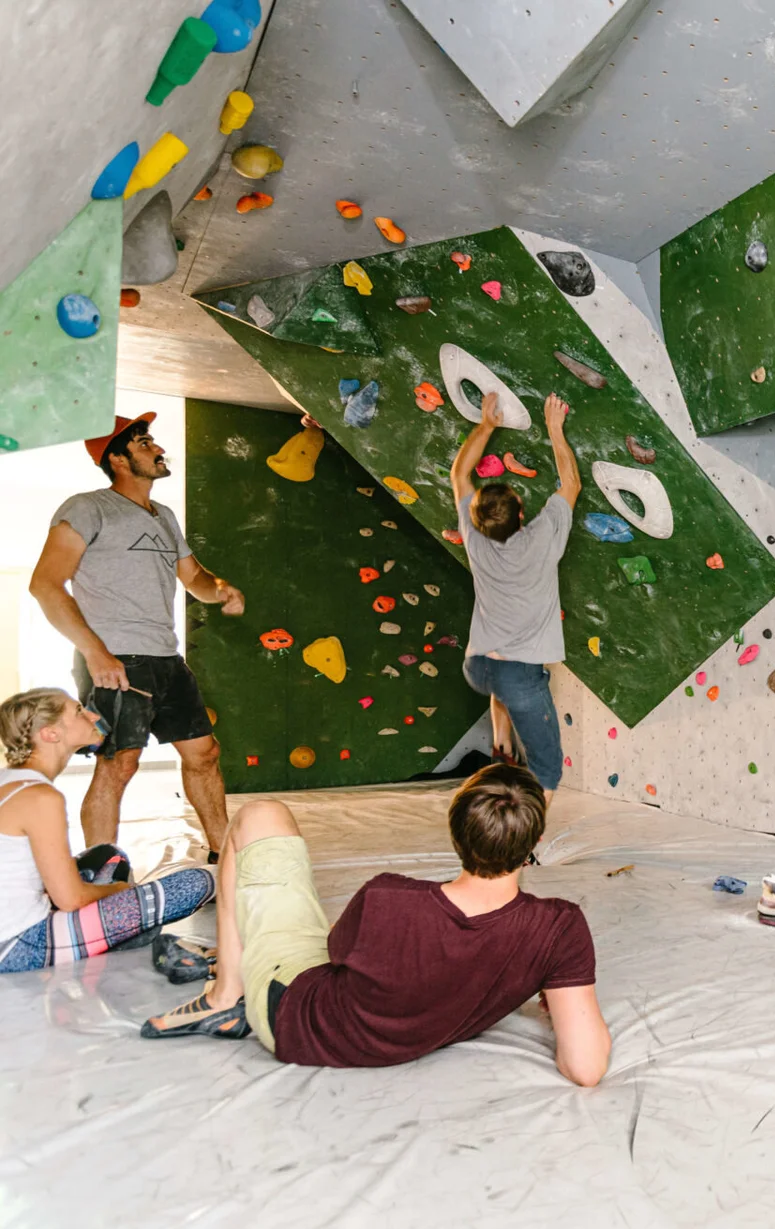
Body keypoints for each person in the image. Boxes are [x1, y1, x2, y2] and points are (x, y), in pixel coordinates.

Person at [143, 763, 612, 1086]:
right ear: (537, 839)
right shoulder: (559, 929)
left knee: (258, 816)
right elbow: (586, 1068)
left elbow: (332, 956)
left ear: (455, 830)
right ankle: (229, 969)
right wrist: (551, 986)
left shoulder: (388, 899)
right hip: (351, 1030)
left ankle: (225, 996)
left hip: (292, 1019)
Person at [28, 412, 245, 853]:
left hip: (166, 658)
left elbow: (195, 578)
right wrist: (95, 653)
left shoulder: (164, 516)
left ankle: (225, 855)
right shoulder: (87, 508)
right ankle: (102, 865)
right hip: (117, 660)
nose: (158, 449)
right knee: (120, 763)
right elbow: (45, 585)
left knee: (204, 755)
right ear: (118, 459)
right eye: (145, 443)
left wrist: (220, 589)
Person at [0, 688, 214, 973]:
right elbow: (70, 899)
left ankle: (113, 931)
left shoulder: (9, 781)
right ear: (51, 734)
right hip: (18, 945)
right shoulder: (41, 797)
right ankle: (114, 930)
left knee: (108, 856)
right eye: (78, 711)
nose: (91, 716)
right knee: (199, 883)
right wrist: (121, 891)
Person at [451, 392, 581, 803]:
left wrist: (486, 425)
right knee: (547, 768)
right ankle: (529, 831)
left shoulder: (474, 537)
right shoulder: (542, 539)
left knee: (501, 684)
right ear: (522, 516)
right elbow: (571, 484)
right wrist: (555, 429)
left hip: (478, 667)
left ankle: (502, 744)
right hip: (518, 675)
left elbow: (459, 475)